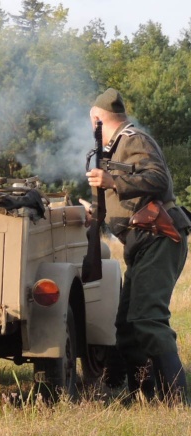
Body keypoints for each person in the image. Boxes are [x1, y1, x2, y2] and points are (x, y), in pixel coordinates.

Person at [86, 88, 191, 404]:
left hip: (159, 237)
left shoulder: (133, 139)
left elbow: (159, 180)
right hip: (143, 243)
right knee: (128, 326)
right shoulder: (114, 148)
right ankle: (143, 395)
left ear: (98, 119)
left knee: (147, 319)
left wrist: (113, 182)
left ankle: (176, 400)